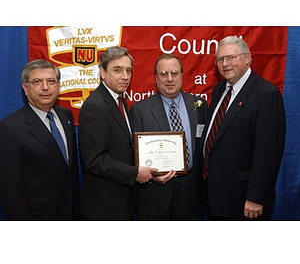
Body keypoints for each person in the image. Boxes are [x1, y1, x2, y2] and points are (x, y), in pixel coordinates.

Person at [202, 36, 286, 220]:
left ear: (247, 58)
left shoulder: (267, 95)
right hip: (216, 196)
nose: (225, 64)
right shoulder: (219, 90)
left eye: (231, 58)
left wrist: (256, 197)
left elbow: (269, 152)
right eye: (220, 59)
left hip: (245, 201)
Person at [78, 46, 156, 220]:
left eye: (128, 70)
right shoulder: (95, 106)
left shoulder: (119, 100)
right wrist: (135, 173)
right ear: (102, 72)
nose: (125, 76)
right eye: (117, 70)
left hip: (120, 201)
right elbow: (94, 161)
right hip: (103, 207)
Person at [130, 54, 207, 220]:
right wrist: (152, 177)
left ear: (182, 75)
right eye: (164, 74)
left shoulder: (199, 105)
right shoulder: (139, 110)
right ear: (156, 78)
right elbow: (133, 154)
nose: (170, 79)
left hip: (191, 194)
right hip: (155, 194)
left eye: (174, 73)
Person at [0, 59, 80, 220]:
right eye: (37, 82)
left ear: (58, 86)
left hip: (71, 212)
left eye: (51, 81)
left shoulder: (66, 116)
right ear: (25, 88)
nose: (45, 87)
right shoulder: (10, 128)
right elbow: (11, 192)